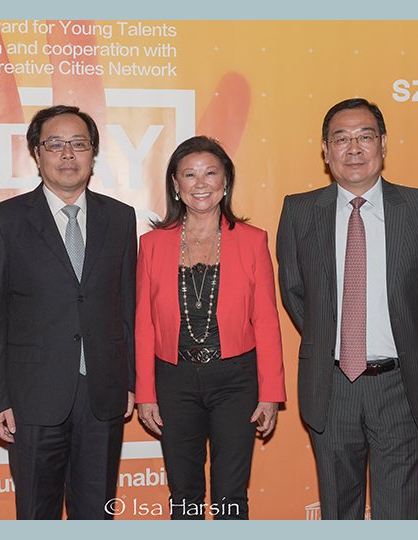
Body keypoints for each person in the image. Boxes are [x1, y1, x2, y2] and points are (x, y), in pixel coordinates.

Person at [276, 98, 418, 520]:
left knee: (401, 514)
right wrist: (332, 340)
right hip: (332, 386)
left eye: (365, 136)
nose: (353, 148)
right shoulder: (299, 212)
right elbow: (296, 293)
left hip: (401, 386)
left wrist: (400, 338)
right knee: (339, 512)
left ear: (383, 144)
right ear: (325, 150)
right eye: (341, 138)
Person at [0, 105, 137, 519]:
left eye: (79, 144)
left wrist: (129, 380)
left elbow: (126, 307)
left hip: (102, 394)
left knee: (97, 514)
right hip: (33, 399)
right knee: (36, 513)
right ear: (37, 153)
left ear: (93, 153)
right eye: (55, 144)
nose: (68, 154)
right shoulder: (4, 221)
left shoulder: (120, 218)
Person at [134, 136, 285, 519]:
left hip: (235, 380)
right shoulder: (152, 244)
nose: (200, 184)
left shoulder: (252, 241)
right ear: (175, 184)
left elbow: (266, 320)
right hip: (174, 380)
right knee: (184, 491)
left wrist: (270, 392)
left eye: (210, 173)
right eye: (190, 175)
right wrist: (145, 393)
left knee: (231, 492)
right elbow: (144, 324)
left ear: (225, 181)